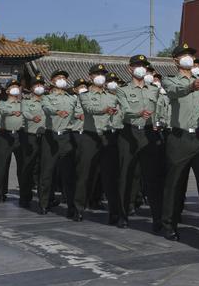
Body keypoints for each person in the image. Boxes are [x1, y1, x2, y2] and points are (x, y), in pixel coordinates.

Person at [161, 44, 199, 250]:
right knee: (175, 184)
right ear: (175, 60)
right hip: (179, 137)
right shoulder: (170, 80)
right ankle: (169, 224)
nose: (188, 58)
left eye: (191, 55)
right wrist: (189, 87)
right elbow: (173, 91)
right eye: (184, 55)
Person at [116, 54, 163, 230]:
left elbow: (160, 109)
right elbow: (125, 111)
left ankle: (158, 217)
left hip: (149, 133)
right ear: (130, 68)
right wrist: (138, 113)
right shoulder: (123, 90)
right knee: (126, 175)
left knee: (152, 177)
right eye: (137, 65)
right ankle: (123, 214)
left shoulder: (154, 89)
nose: (141, 68)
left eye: (143, 65)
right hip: (129, 134)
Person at [75, 64, 119, 223]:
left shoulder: (113, 96)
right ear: (90, 77)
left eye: (103, 73)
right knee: (85, 174)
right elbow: (89, 108)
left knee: (110, 175)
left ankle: (114, 212)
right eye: (97, 74)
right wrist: (105, 109)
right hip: (90, 137)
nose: (101, 76)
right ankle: (79, 208)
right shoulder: (85, 95)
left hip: (107, 137)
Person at [39, 70, 79, 217]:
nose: (62, 80)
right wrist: (57, 112)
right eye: (59, 77)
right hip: (51, 137)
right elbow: (46, 109)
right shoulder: (47, 98)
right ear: (52, 81)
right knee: (47, 172)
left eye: (64, 78)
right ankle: (44, 204)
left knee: (68, 174)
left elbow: (77, 113)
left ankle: (71, 206)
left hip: (67, 137)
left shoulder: (72, 99)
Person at [19, 74, 46, 208]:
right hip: (31, 136)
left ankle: (45, 198)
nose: (39, 87)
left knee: (44, 169)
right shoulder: (27, 101)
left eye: (41, 84)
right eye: (37, 85)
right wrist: (31, 117)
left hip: (46, 137)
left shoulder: (48, 101)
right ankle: (25, 197)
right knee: (28, 167)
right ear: (31, 88)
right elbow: (25, 112)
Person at [0, 79, 24, 203]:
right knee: (3, 165)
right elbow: (3, 111)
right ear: (7, 90)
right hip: (6, 135)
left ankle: (24, 193)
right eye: (13, 87)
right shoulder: (2, 103)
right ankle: (1, 192)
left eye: (17, 87)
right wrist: (12, 112)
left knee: (22, 166)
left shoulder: (23, 104)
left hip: (20, 135)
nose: (15, 89)